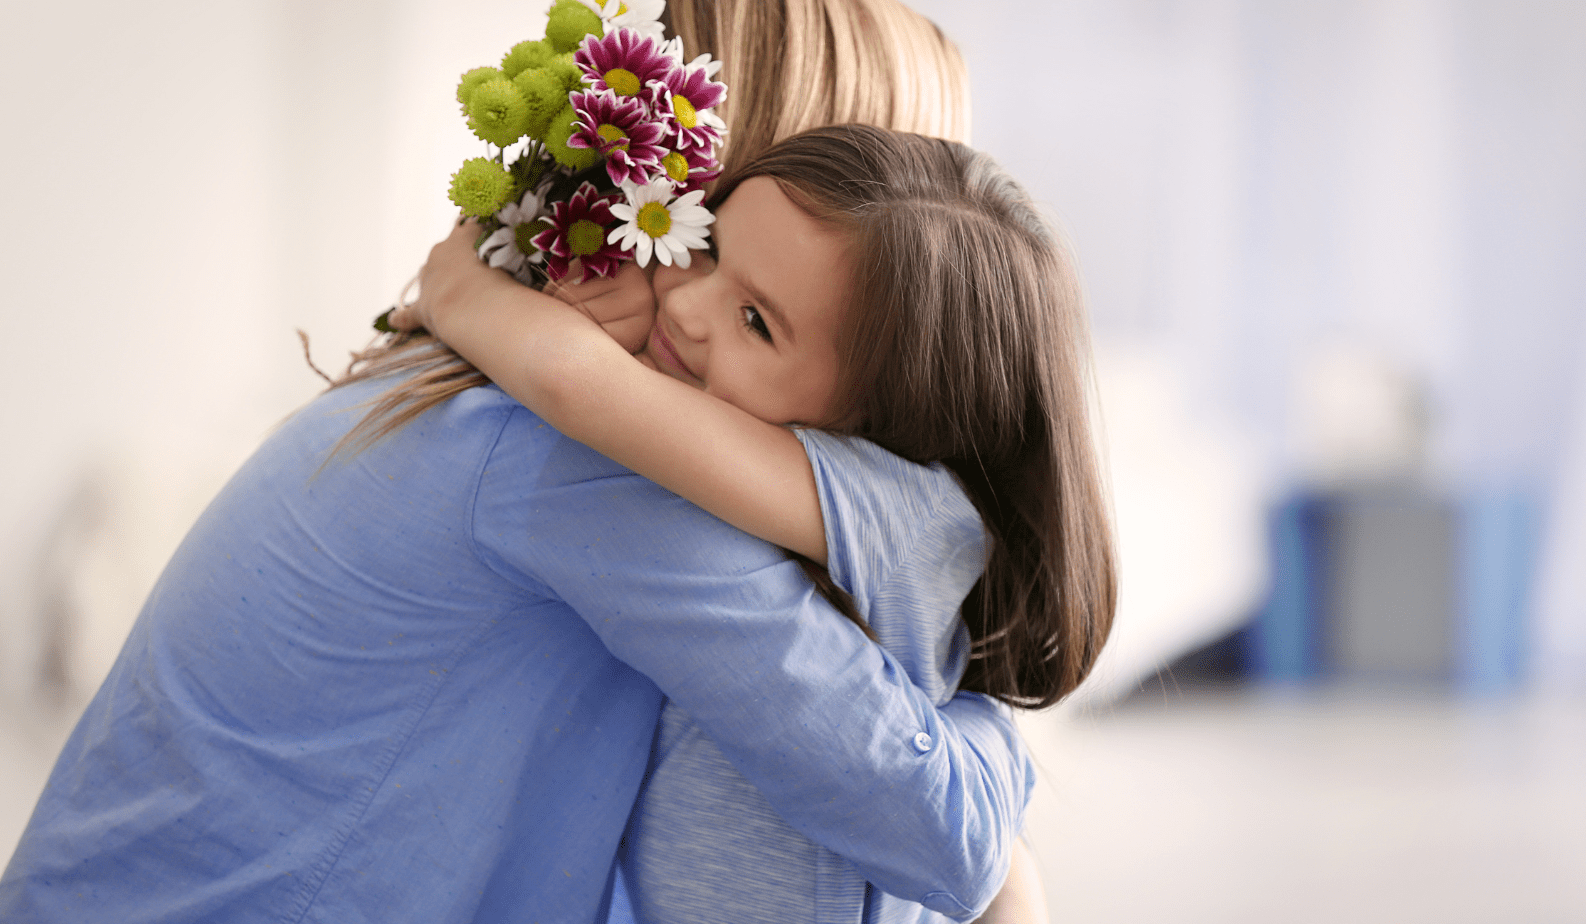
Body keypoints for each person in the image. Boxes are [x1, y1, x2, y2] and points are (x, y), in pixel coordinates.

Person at [393, 122, 1113, 924]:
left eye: (757, 322)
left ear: (876, 422)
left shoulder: (906, 509)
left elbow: (574, 381)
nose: (688, 305)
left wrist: (457, 285)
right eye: (706, 247)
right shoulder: (793, 477)